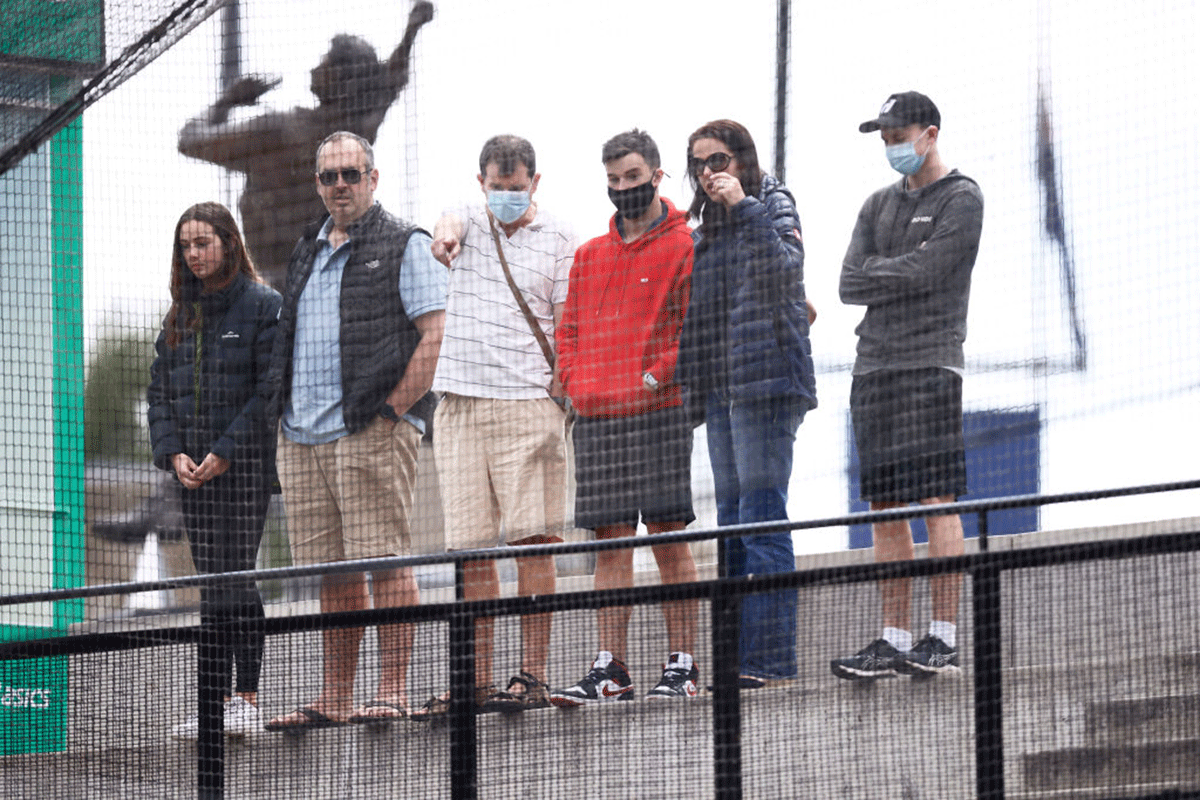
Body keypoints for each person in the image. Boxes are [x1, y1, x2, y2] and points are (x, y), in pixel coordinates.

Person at [263, 131, 446, 730]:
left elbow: (436, 335)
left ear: (373, 177)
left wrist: (393, 410)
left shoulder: (405, 242)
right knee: (333, 573)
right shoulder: (304, 251)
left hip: (370, 429)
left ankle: (391, 690)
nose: (340, 184)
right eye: (329, 177)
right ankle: (335, 698)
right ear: (318, 186)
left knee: (385, 561)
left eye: (351, 173)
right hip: (301, 438)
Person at [412, 134, 574, 717]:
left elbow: (566, 321)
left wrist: (557, 392)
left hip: (527, 402)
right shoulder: (467, 224)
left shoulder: (559, 238)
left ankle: (532, 674)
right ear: (482, 181)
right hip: (459, 404)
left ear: (535, 181)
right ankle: (473, 680)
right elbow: (447, 217)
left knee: (534, 541)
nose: (506, 194)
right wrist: (445, 230)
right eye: (497, 186)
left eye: (517, 186)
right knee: (470, 550)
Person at [831, 91, 984, 680]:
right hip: (874, 366)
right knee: (884, 503)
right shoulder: (876, 205)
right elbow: (848, 283)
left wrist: (885, 275)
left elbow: (932, 270)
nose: (893, 146)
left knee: (936, 496)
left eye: (900, 135)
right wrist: (899, 273)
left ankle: (941, 635)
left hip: (930, 362)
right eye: (886, 137)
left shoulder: (962, 197)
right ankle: (893, 636)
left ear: (930, 133)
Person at [550, 129, 700, 705]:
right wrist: (576, 381)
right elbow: (569, 329)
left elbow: (693, 327)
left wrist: (654, 376)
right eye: (612, 180)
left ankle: (682, 666)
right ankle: (610, 668)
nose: (622, 189)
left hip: (659, 411)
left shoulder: (686, 243)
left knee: (667, 536)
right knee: (610, 543)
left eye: (632, 178)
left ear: (657, 176)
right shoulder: (590, 254)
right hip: (599, 417)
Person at [677, 120, 817, 687]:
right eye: (700, 165)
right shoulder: (705, 229)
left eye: (719, 160)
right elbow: (703, 315)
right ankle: (738, 664)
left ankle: (772, 663)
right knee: (731, 528)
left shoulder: (771, 201)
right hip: (721, 393)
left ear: (741, 159)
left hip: (765, 387)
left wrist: (746, 208)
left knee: (763, 520)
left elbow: (786, 271)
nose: (710, 173)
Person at [178, 2, 434, 289]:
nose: (316, 67)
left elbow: (190, 141)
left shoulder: (277, 130)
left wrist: (228, 100)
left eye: (325, 61)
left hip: (276, 287)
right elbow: (389, 85)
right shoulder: (352, 135)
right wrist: (411, 32)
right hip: (329, 282)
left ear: (340, 78)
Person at [147, 202, 282, 739]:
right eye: (186, 245)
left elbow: (269, 391)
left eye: (203, 242)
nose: (194, 254)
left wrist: (226, 449)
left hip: (244, 471)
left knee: (235, 576)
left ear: (228, 241)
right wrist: (172, 452)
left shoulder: (263, 305)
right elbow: (158, 393)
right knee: (210, 584)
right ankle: (213, 703)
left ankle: (246, 699)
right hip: (192, 474)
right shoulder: (181, 312)